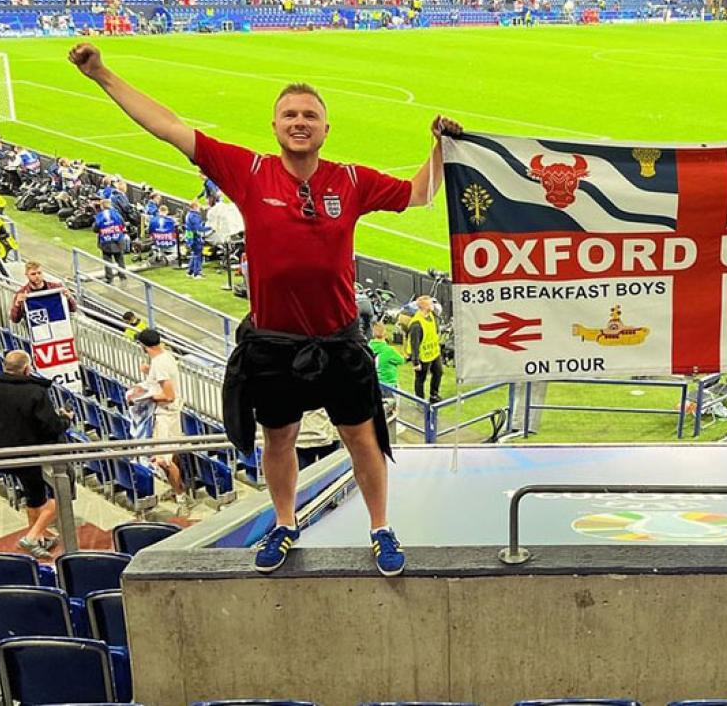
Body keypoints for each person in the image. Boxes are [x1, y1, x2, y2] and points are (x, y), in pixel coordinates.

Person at [68, 41, 461, 578]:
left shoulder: (349, 180)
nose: (300, 122)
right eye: (290, 115)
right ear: (275, 125)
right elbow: (168, 126)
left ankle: (379, 527)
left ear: (326, 129)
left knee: (362, 438)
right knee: (279, 438)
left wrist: (439, 148)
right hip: (274, 343)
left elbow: (420, 194)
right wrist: (102, 75)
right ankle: (283, 522)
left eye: (310, 116)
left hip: (338, 339)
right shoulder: (247, 170)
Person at [0, 350, 71, 559]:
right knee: (60, 493)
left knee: (35, 496)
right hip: (26, 454)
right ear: (27, 369)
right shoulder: (35, 392)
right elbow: (51, 426)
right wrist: (65, 419)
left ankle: (38, 537)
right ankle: (32, 537)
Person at [130, 328, 189, 512]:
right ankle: (179, 491)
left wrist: (145, 398)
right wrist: (149, 373)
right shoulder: (164, 357)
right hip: (169, 413)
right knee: (172, 453)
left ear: (144, 345)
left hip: (166, 414)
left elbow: (168, 395)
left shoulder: (160, 364)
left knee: (164, 460)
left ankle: (181, 498)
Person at [10, 261, 76, 324]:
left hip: (59, 329)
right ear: (26, 275)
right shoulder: (21, 293)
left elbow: (73, 309)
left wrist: (69, 298)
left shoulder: (56, 288)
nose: (37, 276)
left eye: (39, 273)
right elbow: (15, 319)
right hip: (38, 332)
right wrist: (17, 304)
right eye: (33, 274)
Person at [405, 295, 442, 403]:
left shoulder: (432, 315)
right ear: (424, 306)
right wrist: (415, 362)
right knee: (421, 379)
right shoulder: (416, 324)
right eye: (430, 303)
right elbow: (414, 344)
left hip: (434, 352)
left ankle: (433, 395)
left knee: (438, 372)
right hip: (422, 356)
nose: (433, 305)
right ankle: (420, 401)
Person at [93, 197, 128, 283]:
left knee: (107, 260)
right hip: (118, 239)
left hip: (106, 241)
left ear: (102, 206)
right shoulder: (116, 214)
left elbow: (95, 228)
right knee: (120, 259)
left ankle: (109, 278)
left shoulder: (99, 216)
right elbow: (123, 224)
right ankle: (122, 275)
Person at [183, 200, 209, 279]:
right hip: (195, 237)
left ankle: (190, 271)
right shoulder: (194, 216)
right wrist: (210, 228)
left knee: (194, 253)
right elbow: (198, 228)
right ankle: (196, 273)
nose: (200, 208)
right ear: (195, 207)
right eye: (198, 206)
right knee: (197, 254)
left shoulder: (189, 214)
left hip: (190, 236)